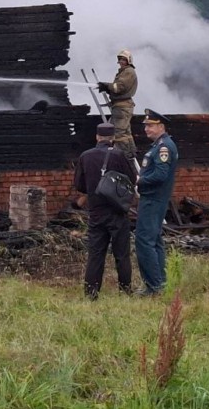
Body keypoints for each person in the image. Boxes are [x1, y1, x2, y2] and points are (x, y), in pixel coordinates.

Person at [73, 122, 138, 300]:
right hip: (117, 212)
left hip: (96, 213)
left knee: (95, 254)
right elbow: (132, 179)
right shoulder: (119, 155)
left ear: (97, 137)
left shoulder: (85, 156)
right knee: (122, 254)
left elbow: (79, 185)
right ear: (113, 138)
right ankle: (125, 292)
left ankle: (91, 294)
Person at [134, 108, 179, 296]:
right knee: (155, 241)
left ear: (161, 126)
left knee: (144, 241)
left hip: (153, 199)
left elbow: (160, 175)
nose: (147, 129)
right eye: (145, 126)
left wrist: (140, 180)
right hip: (153, 198)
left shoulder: (163, 147)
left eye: (150, 126)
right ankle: (160, 282)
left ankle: (153, 286)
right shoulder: (159, 145)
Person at [97, 50, 137, 160]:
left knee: (117, 132)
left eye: (123, 59)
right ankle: (131, 152)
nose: (121, 61)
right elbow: (118, 89)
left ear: (129, 60)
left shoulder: (128, 72)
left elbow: (119, 87)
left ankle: (124, 155)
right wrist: (108, 89)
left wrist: (106, 86)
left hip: (122, 108)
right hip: (122, 107)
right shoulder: (124, 72)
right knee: (125, 132)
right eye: (119, 59)